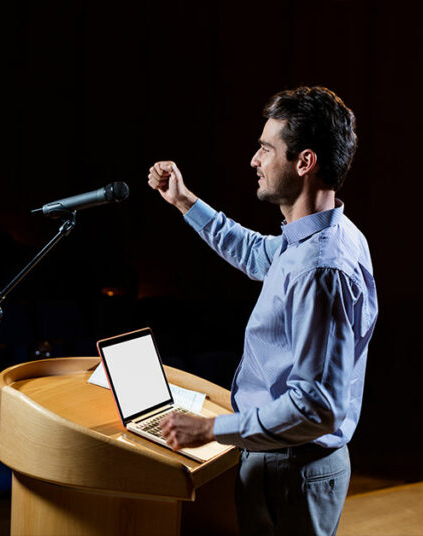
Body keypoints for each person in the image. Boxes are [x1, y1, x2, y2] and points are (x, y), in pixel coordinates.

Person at [148, 86, 378, 536]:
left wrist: (214, 429)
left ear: (304, 162)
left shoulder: (320, 269)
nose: (255, 160)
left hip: (291, 469)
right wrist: (184, 201)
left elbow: (317, 407)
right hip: (287, 462)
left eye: (266, 149)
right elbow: (257, 253)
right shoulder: (325, 234)